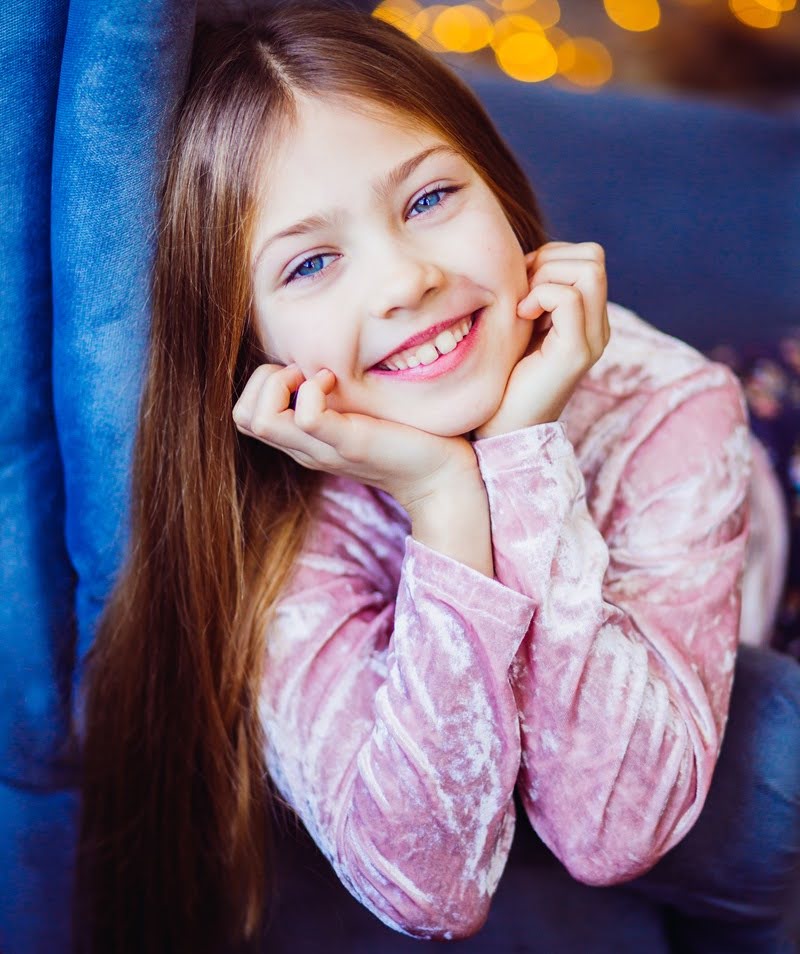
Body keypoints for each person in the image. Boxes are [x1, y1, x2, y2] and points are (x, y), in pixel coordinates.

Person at [73, 5, 800, 953]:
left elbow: (613, 830)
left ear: (498, 192)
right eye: (312, 263)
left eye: (428, 200)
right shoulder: (279, 521)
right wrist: (446, 500)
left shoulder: (672, 406)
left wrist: (520, 457)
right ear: (247, 346)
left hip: (770, 468)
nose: (406, 279)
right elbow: (428, 889)